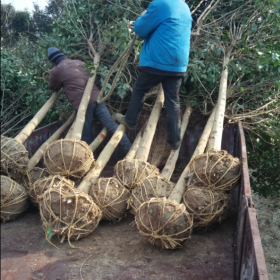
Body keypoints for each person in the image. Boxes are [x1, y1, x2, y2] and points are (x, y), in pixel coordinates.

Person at [116, 0, 192, 150]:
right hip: (178, 64)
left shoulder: (161, 4)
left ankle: (130, 121)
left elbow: (140, 29)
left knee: (139, 89)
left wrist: (142, 15)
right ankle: (175, 141)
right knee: (173, 100)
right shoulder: (184, 7)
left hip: (158, 60)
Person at [47, 47, 132, 152]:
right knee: (111, 125)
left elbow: (53, 87)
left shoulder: (56, 70)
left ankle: (89, 160)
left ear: (52, 62)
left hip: (84, 104)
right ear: (63, 55)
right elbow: (94, 80)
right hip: (97, 98)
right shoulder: (79, 62)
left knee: (86, 133)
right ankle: (129, 148)